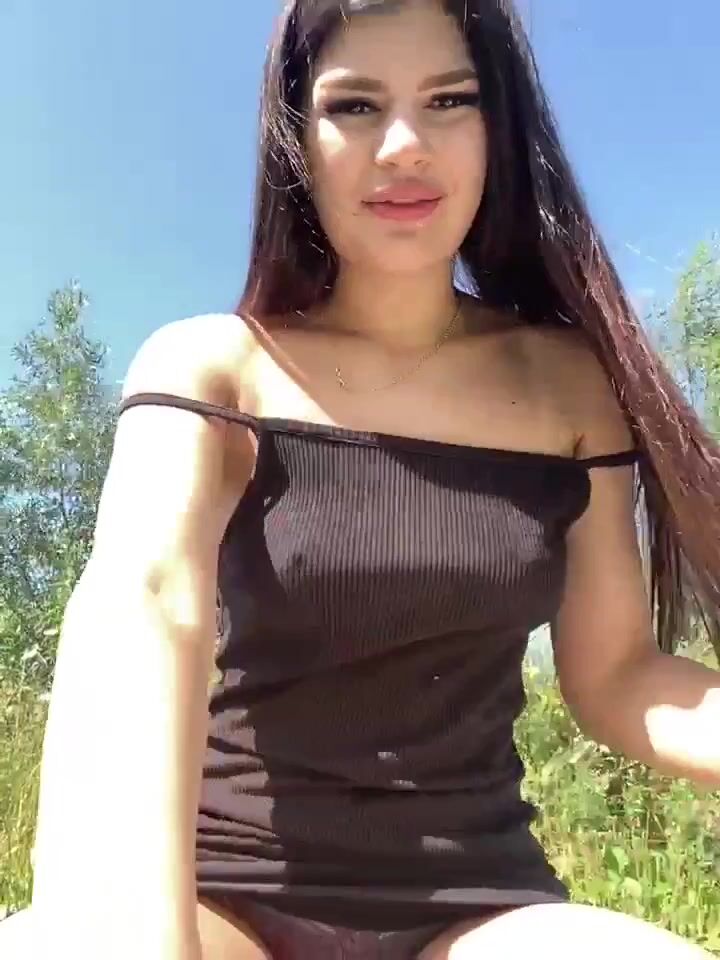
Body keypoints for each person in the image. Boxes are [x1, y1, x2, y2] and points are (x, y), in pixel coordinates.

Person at [3, 0, 719, 957]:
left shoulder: (568, 386)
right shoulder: (212, 368)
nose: (404, 145)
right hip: (223, 894)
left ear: (499, 127)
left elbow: (620, 673)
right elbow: (147, 600)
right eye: (355, 106)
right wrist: (131, 928)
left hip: (480, 904)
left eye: (450, 99)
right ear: (298, 139)